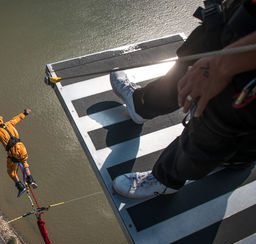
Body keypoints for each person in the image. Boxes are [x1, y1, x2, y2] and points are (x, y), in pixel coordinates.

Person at [110, 0, 256, 199]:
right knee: (190, 62)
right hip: (238, 16)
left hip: (247, 66)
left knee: (216, 125)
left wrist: (222, 65)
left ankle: (167, 179)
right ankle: (142, 105)